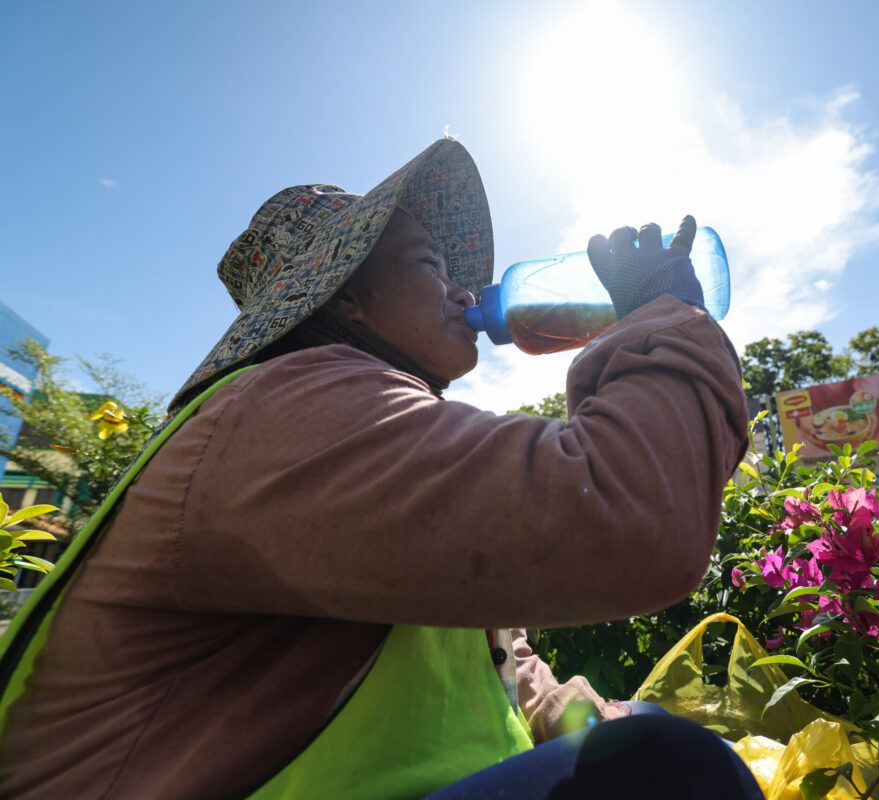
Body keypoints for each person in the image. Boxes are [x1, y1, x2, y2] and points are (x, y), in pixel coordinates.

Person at [0, 137, 756, 798]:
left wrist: (583, 719)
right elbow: (627, 517)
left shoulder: (374, 434)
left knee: (640, 733)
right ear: (351, 295)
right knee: (665, 771)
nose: (465, 290)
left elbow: (494, 665)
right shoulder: (287, 411)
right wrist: (665, 317)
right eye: (431, 265)